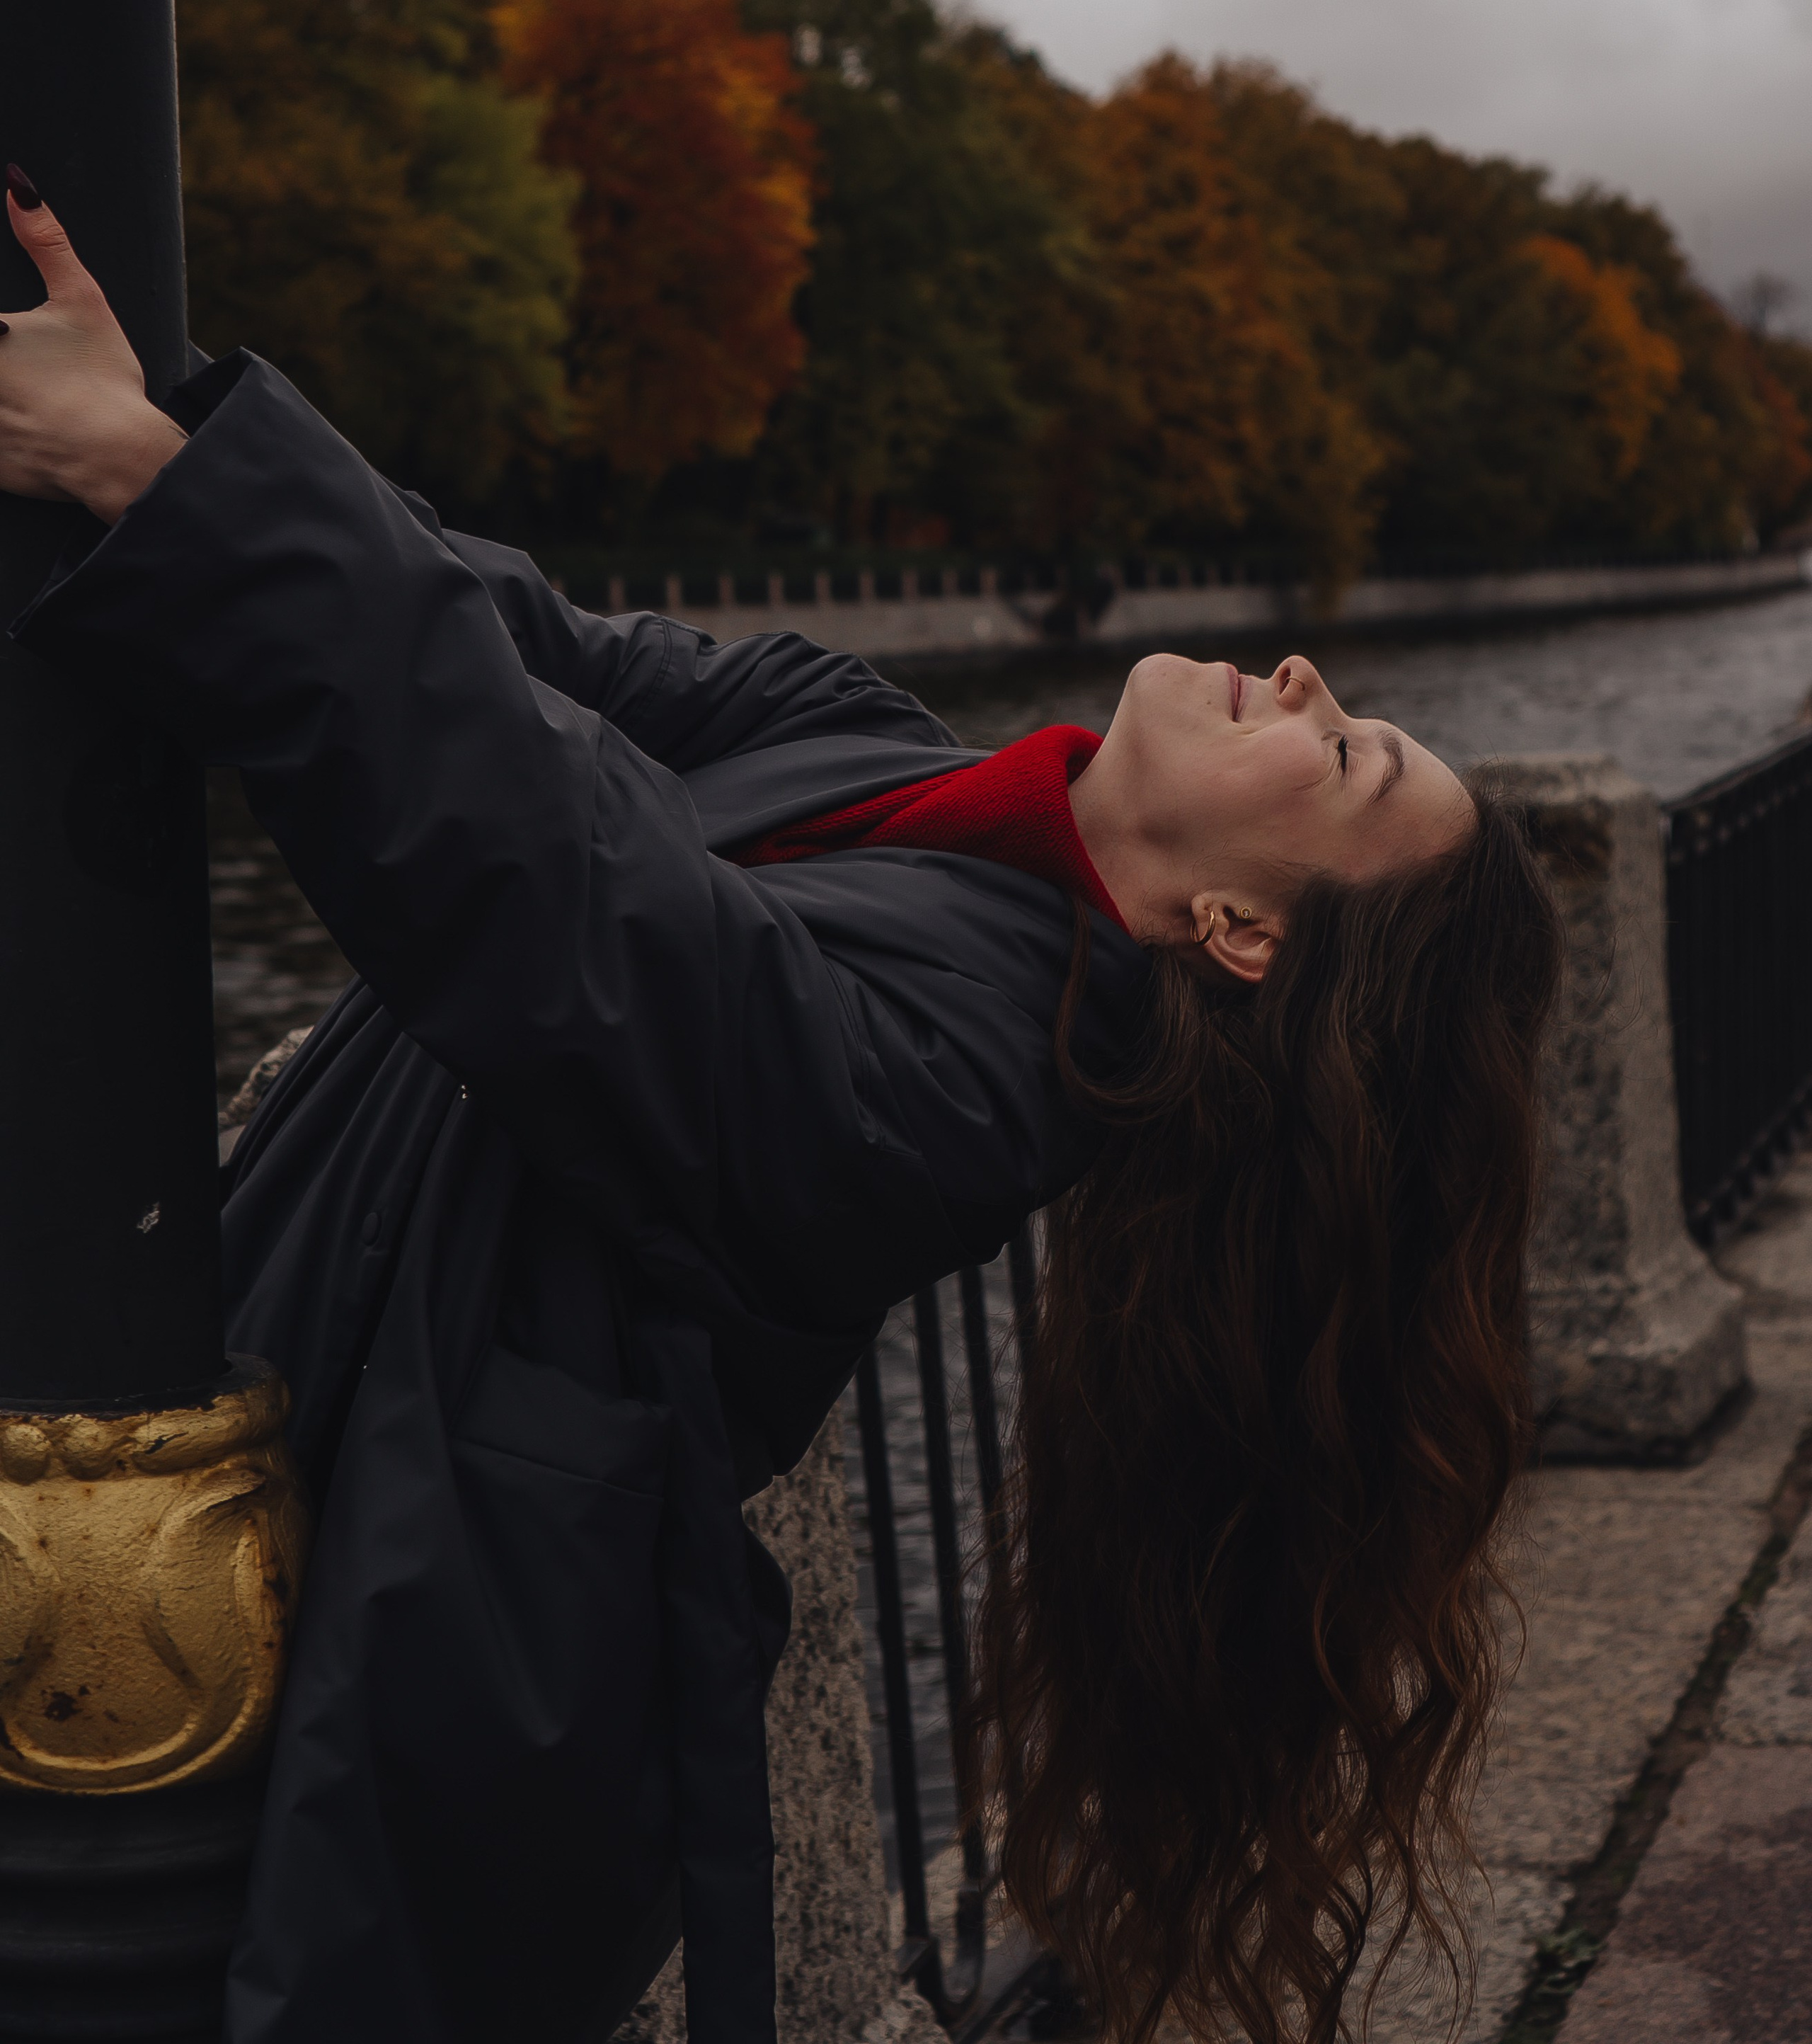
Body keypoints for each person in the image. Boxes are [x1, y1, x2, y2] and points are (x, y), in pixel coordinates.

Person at [0, 173, 1559, 2044]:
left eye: (1349, 750)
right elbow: (517, 643)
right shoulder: (867, 737)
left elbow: (559, 884)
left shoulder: (973, 1091)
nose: (1306, 680)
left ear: (1242, 931)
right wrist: (172, 419)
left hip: (384, 1652)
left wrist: (168, 493)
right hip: (256, 1439)